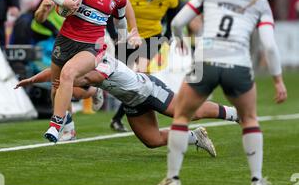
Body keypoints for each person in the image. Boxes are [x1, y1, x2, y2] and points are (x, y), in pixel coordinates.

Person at [154, 0, 288, 185]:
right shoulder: (260, 2)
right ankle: (257, 180)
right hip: (238, 66)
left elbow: (179, 21)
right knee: (249, 120)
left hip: (205, 61)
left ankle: (172, 178)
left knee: (182, 117)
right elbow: (269, 45)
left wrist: (179, 41)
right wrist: (278, 80)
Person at [15, 53, 239, 152]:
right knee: (151, 141)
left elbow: (73, 77)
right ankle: (195, 137)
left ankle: (234, 113)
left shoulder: (104, 63)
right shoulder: (85, 63)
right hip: (132, 101)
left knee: (191, 112)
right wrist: (34, 79)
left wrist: (64, 80)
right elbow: (65, 73)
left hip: (149, 90)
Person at [42, 0, 130, 143]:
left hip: (93, 46)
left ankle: (55, 125)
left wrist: (124, 42)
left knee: (68, 74)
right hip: (65, 40)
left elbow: (122, 20)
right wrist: (63, 2)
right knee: (56, 87)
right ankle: (69, 128)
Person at [109, 0, 179, 132]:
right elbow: (110, 11)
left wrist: (168, 35)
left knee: (140, 78)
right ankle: (116, 116)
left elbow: (173, 14)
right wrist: (114, 36)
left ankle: (119, 119)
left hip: (152, 38)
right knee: (121, 79)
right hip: (128, 37)